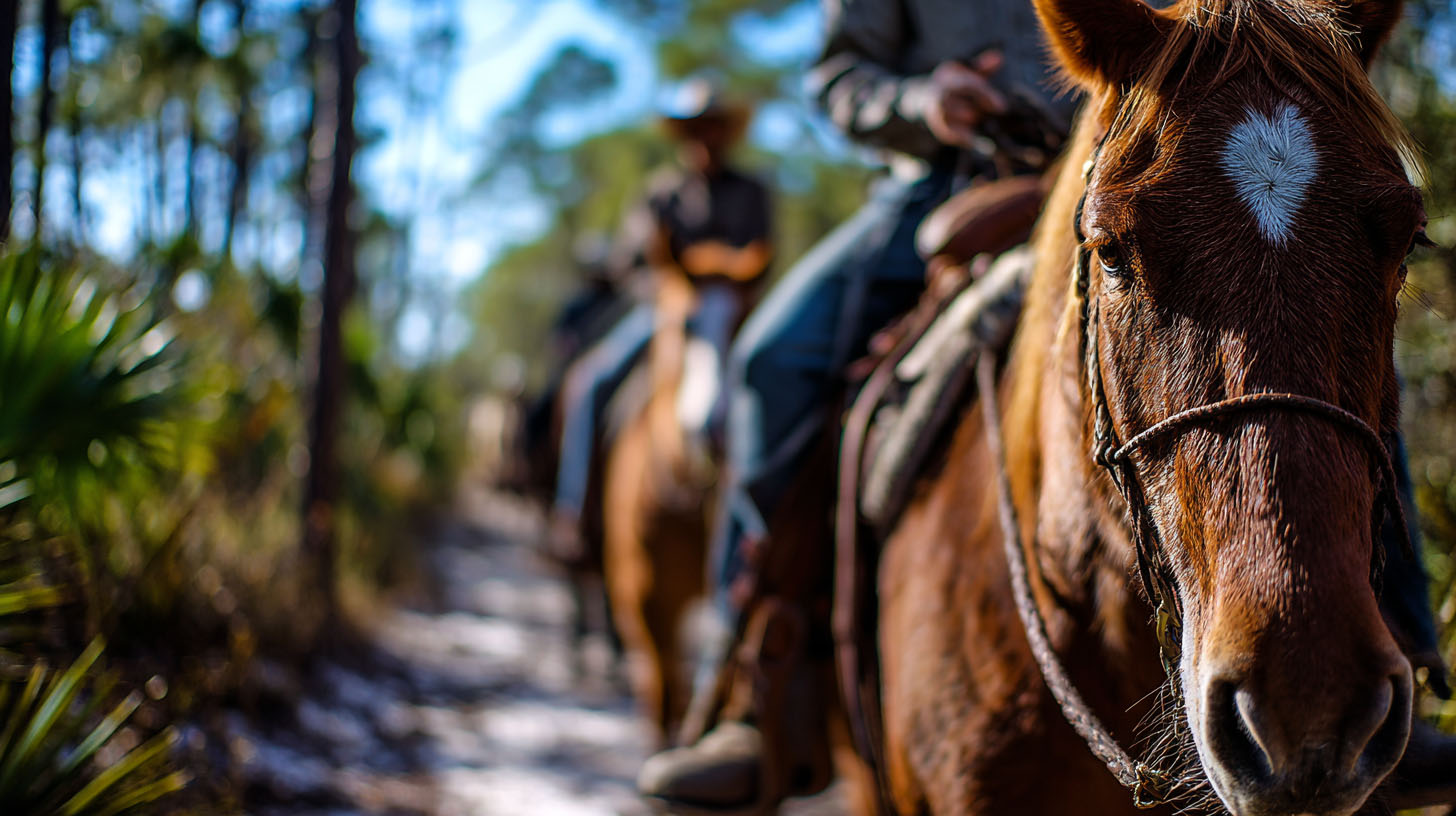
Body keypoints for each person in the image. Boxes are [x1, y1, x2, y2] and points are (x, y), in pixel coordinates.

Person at [637, 0, 1449, 811]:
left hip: (1163, 150)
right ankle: (750, 688)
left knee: (1327, 356)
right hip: (946, 185)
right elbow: (841, 79)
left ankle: (1399, 645)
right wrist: (926, 102)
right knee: (771, 360)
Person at [548, 80, 773, 563]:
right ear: (682, 135)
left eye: (712, 127)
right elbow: (631, 264)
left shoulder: (753, 192)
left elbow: (764, 260)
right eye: (695, 128)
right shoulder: (660, 194)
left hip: (734, 315)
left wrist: (730, 281)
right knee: (593, 383)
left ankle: (775, 537)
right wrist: (672, 286)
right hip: (669, 313)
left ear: (726, 133)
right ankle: (575, 514)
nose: (704, 138)